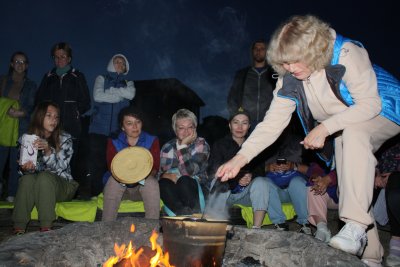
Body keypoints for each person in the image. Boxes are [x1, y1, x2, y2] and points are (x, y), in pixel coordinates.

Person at [216, 15, 400, 267]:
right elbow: (271, 125)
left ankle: (355, 226)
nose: (289, 68)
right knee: (352, 181)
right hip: (344, 124)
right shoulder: (288, 77)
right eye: (284, 62)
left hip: (383, 110)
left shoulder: (347, 53)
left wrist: (325, 127)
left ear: (312, 50)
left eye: (294, 60)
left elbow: (370, 104)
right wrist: (240, 158)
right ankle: (370, 257)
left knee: (354, 133)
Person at [12, 101, 79, 234]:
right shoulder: (27, 140)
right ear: (40, 117)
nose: (53, 120)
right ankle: (19, 227)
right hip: (38, 186)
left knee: (44, 177)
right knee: (27, 179)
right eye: (49, 116)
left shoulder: (65, 139)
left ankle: (46, 227)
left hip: (63, 186)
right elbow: (22, 172)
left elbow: (61, 168)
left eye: (56, 117)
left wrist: (48, 150)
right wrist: (25, 168)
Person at [35, 42, 91, 194]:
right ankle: (48, 192)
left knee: (70, 162)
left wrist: (75, 111)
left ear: (69, 58)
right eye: (56, 57)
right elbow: (39, 100)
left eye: (63, 56)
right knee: (49, 159)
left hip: (71, 127)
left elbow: (86, 102)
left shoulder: (77, 76)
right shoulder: (48, 77)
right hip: (50, 128)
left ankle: (69, 194)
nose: (59, 60)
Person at [207, 111, 269, 228]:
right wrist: (236, 179)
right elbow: (212, 172)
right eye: (236, 123)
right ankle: (215, 227)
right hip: (225, 195)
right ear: (230, 125)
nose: (240, 127)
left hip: (246, 195)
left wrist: (251, 177)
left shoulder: (254, 146)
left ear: (249, 126)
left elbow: (261, 171)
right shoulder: (220, 145)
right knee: (220, 181)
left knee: (262, 182)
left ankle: (256, 229)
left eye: (244, 123)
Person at [87, 54, 135, 197]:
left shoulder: (129, 82)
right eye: (116, 61)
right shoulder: (101, 78)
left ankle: (114, 197)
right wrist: (120, 95)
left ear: (125, 67)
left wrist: (112, 91)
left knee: (116, 165)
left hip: (118, 131)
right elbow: (97, 96)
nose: (119, 64)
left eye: (122, 62)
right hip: (98, 129)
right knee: (97, 164)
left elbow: (131, 95)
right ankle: (95, 196)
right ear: (111, 64)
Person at [102, 107, 160, 221]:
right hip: (120, 187)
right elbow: (112, 168)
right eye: (129, 123)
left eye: (138, 122)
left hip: (140, 187)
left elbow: (155, 167)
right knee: (113, 181)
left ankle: (152, 228)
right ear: (122, 127)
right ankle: (106, 227)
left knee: (151, 183)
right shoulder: (113, 141)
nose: (135, 127)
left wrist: (139, 175)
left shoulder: (152, 140)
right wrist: (128, 176)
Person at [0, 51, 37, 202]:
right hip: (3, 126)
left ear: (26, 65)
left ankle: (12, 194)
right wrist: (6, 109)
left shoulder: (31, 84)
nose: (19, 65)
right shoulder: (2, 81)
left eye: (22, 62)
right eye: (16, 61)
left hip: (21, 126)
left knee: (16, 163)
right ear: (11, 64)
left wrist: (21, 113)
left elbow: (31, 106)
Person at [158, 109, 210, 216]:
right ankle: (182, 214)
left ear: (195, 129)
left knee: (184, 180)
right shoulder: (167, 147)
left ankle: (194, 215)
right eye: (181, 128)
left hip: (196, 190)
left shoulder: (201, 144)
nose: (186, 132)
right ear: (175, 130)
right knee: (162, 183)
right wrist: (163, 175)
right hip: (174, 196)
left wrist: (182, 147)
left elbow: (189, 172)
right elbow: (161, 174)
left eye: (190, 127)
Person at [263, 130, 311, 234]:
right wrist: (267, 167)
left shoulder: (301, 141)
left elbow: (313, 170)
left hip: (295, 191)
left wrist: (294, 166)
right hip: (275, 192)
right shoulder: (264, 141)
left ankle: (305, 223)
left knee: (297, 182)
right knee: (264, 182)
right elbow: (253, 170)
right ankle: (280, 223)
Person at [227, 39, 276, 129]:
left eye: (262, 48)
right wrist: (238, 116)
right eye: (256, 48)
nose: (258, 51)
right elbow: (232, 98)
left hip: (269, 122)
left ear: (267, 52)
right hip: (246, 124)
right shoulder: (242, 74)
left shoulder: (275, 74)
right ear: (252, 52)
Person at [372, 141, 400, 266]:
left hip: (396, 182)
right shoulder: (386, 140)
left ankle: (396, 240)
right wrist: (377, 175)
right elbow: (375, 161)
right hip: (382, 181)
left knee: (394, 185)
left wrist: (394, 174)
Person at [305, 162, 339, 242]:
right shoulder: (324, 153)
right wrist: (316, 177)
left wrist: (328, 178)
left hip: (348, 196)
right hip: (331, 196)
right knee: (312, 189)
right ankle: (322, 228)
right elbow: (315, 168)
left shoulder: (345, 150)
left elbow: (349, 167)